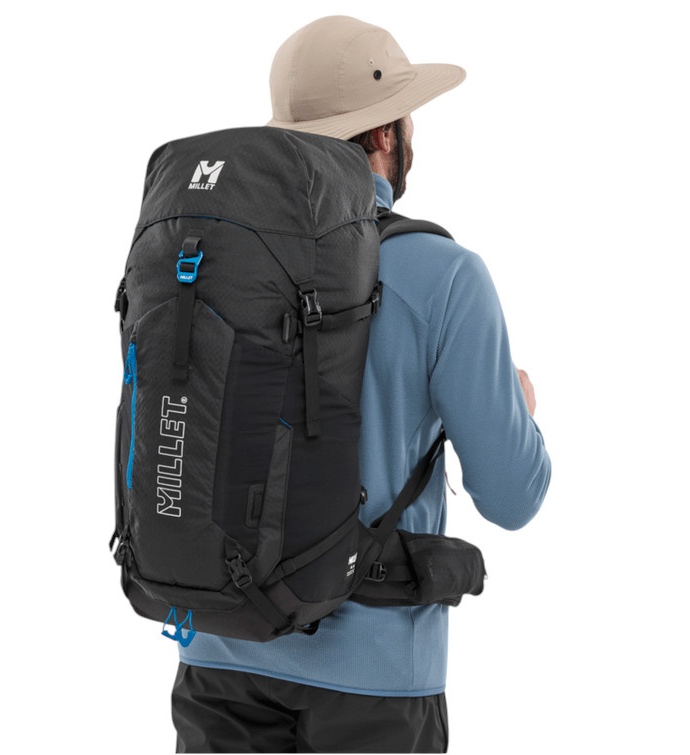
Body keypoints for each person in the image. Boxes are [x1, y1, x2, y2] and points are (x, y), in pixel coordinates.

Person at [171, 15, 551, 753]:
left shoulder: (219, 256)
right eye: (407, 116)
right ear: (383, 134)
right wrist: (520, 408)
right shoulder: (443, 275)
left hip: (218, 652)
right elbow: (513, 498)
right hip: (375, 680)